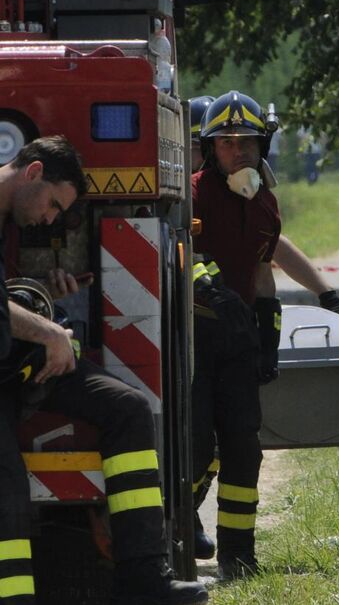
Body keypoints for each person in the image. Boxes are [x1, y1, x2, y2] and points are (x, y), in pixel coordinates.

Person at [0, 136, 207, 604]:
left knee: (128, 407)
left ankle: (143, 576)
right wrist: (49, 333)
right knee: (6, 481)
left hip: (18, 363)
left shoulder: (11, 218)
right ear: (33, 172)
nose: (50, 219)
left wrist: (44, 300)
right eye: (54, 204)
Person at [190, 90, 281, 580]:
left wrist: (269, 336)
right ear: (210, 148)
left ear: (262, 146)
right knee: (196, 448)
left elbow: (263, 275)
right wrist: (211, 289)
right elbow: (179, 256)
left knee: (244, 449)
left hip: (240, 343)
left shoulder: (266, 204)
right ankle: (170, 534)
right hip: (195, 341)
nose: (238, 151)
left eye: (247, 141)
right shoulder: (192, 193)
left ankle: (238, 557)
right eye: (226, 142)